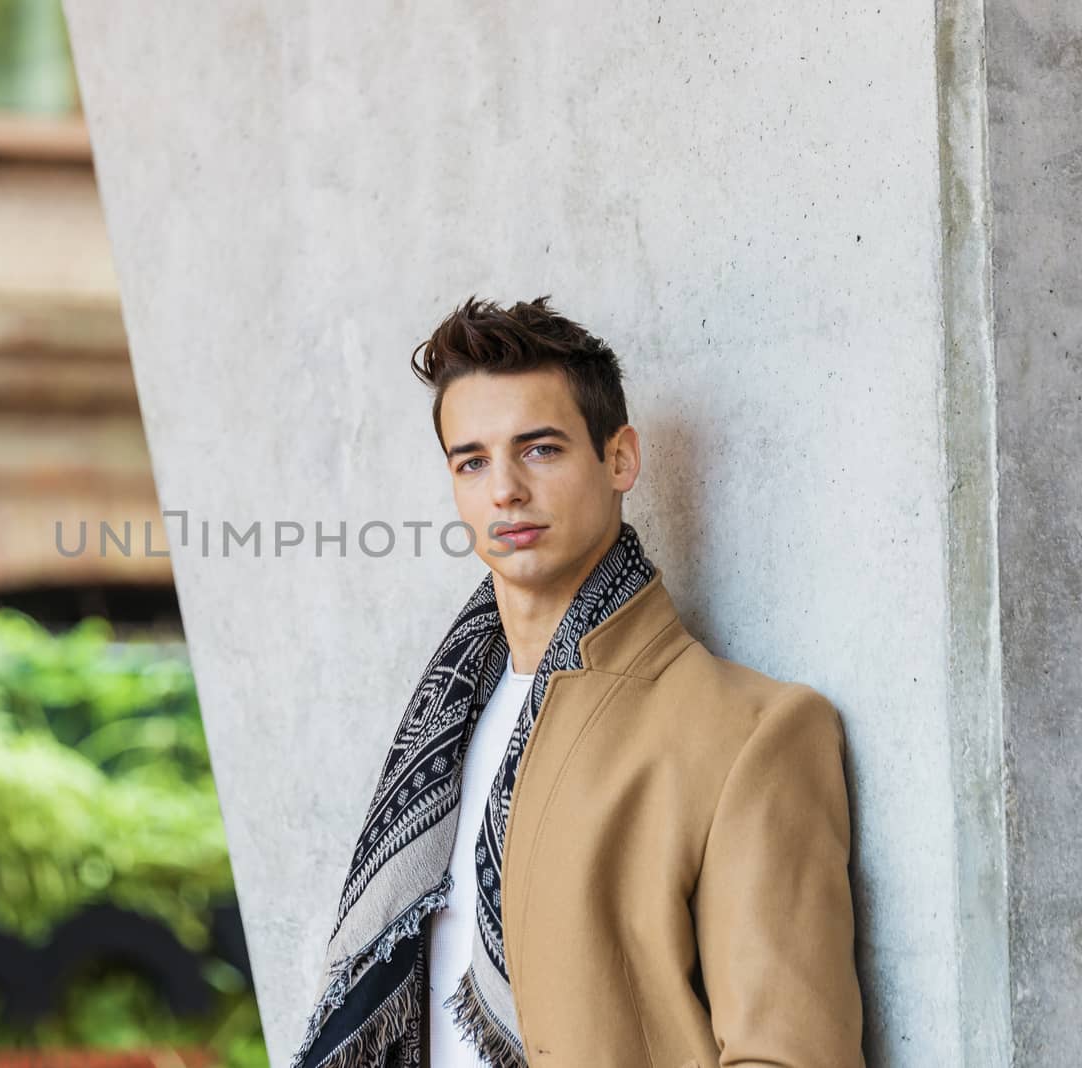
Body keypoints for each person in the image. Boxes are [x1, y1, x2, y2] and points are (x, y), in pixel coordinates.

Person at [289, 297, 865, 1068]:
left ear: (620, 458)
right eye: (472, 461)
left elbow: (792, 1055)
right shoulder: (439, 725)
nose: (504, 491)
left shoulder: (751, 733)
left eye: (540, 450)